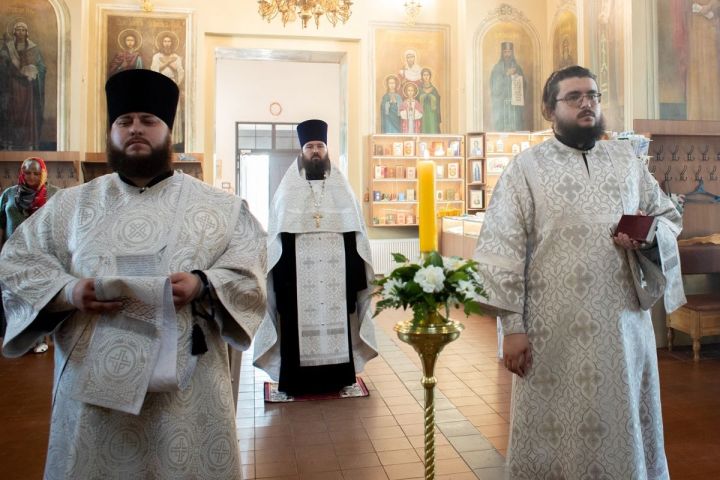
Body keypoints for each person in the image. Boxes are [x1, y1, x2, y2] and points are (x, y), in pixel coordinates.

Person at [0, 69, 266, 479]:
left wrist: (202, 283)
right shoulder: (70, 206)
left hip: (187, 397)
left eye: (148, 120)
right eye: (124, 122)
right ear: (112, 132)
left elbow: (250, 271)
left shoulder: (220, 208)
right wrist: (70, 293)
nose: (135, 129)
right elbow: (18, 262)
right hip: (93, 389)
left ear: (168, 132)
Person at [473, 65, 685, 479]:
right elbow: (502, 248)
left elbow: (667, 216)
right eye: (574, 97)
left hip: (624, 329)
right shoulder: (526, 170)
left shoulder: (626, 161)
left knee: (622, 423)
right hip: (554, 332)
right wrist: (513, 327)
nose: (587, 103)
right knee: (558, 432)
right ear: (549, 110)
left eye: (593, 95)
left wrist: (645, 239)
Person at [253, 119, 377, 396]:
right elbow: (279, 239)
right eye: (310, 146)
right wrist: (282, 285)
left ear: (327, 149)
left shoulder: (342, 189)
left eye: (320, 145)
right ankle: (298, 382)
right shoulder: (287, 190)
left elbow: (354, 235)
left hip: (337, 281)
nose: (316, 151)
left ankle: (339, 379)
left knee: (340, 327)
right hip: (297, 284)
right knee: (295, 329)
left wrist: (354, 280)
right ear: (302, 152)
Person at [0, 157, 58, 350]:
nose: (31, 177)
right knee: (13, 298)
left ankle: (38, 341)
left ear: (43, 174)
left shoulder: (55, 195)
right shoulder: (8, 195)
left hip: (41, 255)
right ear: (21, 173)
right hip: (12, 255)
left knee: (36, 298)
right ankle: (15, 338)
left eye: (36, 173)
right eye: (27, 172)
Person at [0, 21, 46, 150]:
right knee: (12, 113)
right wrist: (5, 61)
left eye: (23, 30)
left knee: (28, 115)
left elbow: (42, 67)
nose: (20, 32)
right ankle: (10, 144)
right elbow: (2, 65)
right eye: (18, 29)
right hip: (13, 86)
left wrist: (35, 70)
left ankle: (28, 143)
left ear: (27, 33)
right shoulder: (7, 47)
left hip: (28, 88)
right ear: (14, 32)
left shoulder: (34, 48)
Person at [151, 32, 185, 147]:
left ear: (172, 43)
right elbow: (155, 70)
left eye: (169, 41)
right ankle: (160, 138)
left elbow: (180, 72)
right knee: (160, 111)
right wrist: (168, 62)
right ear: (162, 43)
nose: (167, 44)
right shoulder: (156, 57)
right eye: (165, 41)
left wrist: (168, 62)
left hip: (173, 85)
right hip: (160, 85)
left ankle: (173, 139)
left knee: (174, 111)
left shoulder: (177, 57)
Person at [490, 42, 526, 132]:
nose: (507, 54)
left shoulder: (518, 68)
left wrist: (517, 77)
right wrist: (506, 74)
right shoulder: (497, 68)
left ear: (512, 53)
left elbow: (524, 85)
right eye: (505, 52)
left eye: (509, 52)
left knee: (516, 127)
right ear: (502, 53)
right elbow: (494, 86)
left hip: (515, 105)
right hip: (502, 104)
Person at [418, 67, 441, 133]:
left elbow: (437, 99)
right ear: (422, 76)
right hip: (423, 112)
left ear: (430, 76)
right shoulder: (419, 89)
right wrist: (422, 96)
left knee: (432, 126)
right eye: (424, 75)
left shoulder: (434, 89)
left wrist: (432, 97)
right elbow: (417, 100)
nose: (426, 77)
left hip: (432, 112)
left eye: (427, 75)